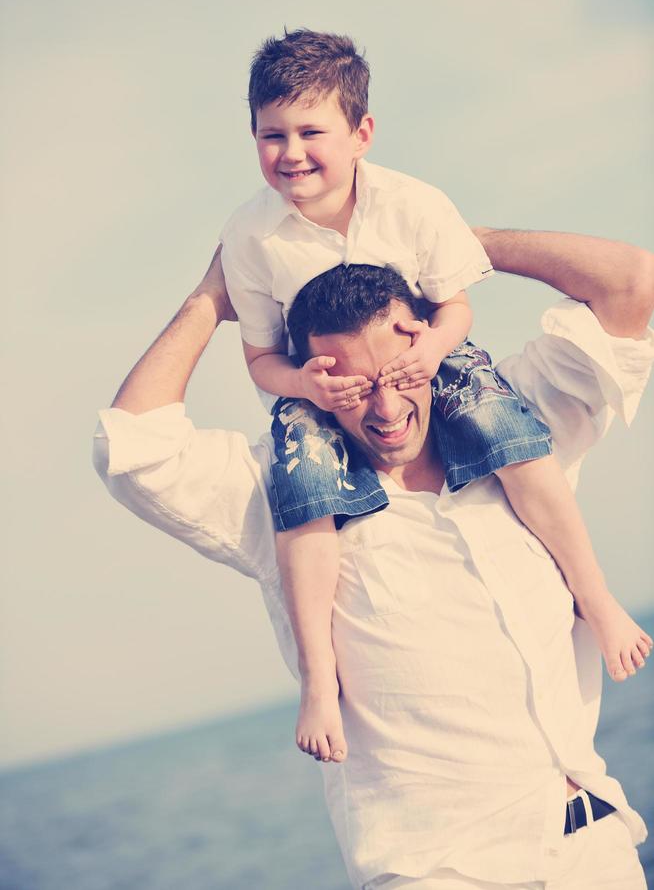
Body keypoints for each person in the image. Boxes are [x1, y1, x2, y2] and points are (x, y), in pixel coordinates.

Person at [94, 228, 653, 889]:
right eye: (355, 387)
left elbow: (631, 287)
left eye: (397, 375)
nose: (387, 410)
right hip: (439, 870)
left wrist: (449, 241)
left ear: (427, 337)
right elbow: (132, 450)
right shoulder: (282, 492)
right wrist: (213, 296)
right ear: (311, 382)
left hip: (594, 846)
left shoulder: (520, 426)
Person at [219, 28, 650, 763]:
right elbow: (259, 356)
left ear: (362, 134)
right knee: (302, 502)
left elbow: (455, 308)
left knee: (516, 445)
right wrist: (302, 385)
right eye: (271, 135)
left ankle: (597, 596)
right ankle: (320, 681)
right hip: (322, 392)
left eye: (310, 132)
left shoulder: (412, 203)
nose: (290, 153)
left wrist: (430, 351)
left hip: (429, 359)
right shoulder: (252, 236)